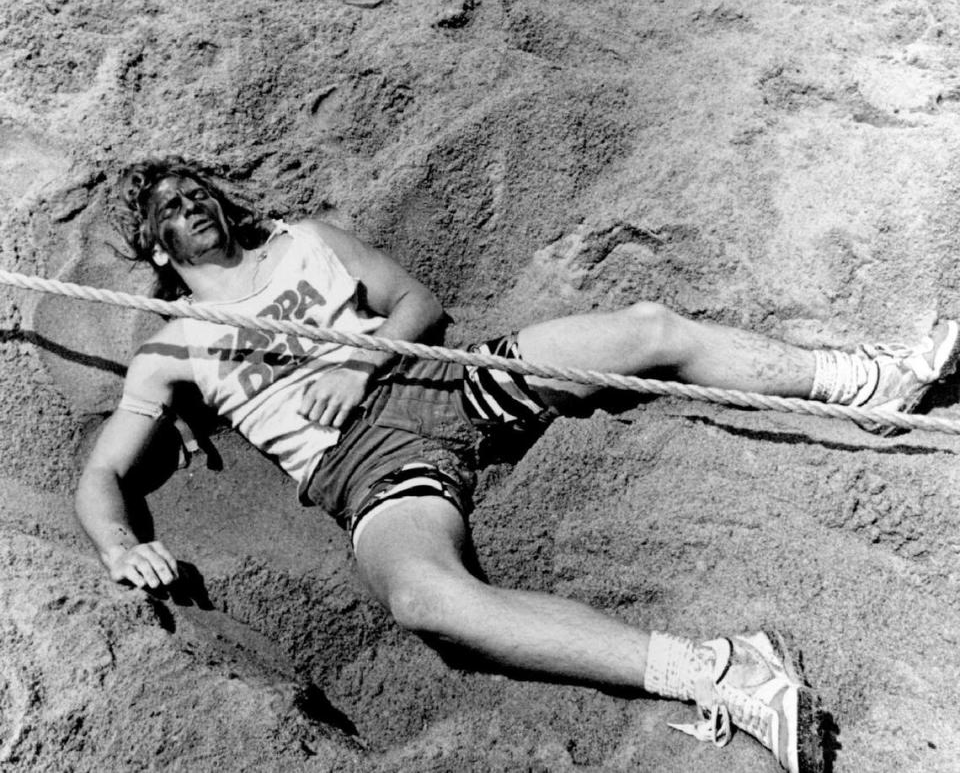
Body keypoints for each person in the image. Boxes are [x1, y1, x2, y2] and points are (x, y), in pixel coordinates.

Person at [76, 160, 960, 773]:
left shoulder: (307, 241)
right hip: (364, 464)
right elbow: (104, 473)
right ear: (158, 251)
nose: (189, 205)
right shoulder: (173, 347)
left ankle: (868, 378)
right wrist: (120, 547)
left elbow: (418, 301)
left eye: (196, 192)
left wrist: (356, 362)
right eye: (167, 209)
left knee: (648, 325)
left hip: (439, 379)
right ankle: (727, 670)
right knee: (425, 600)